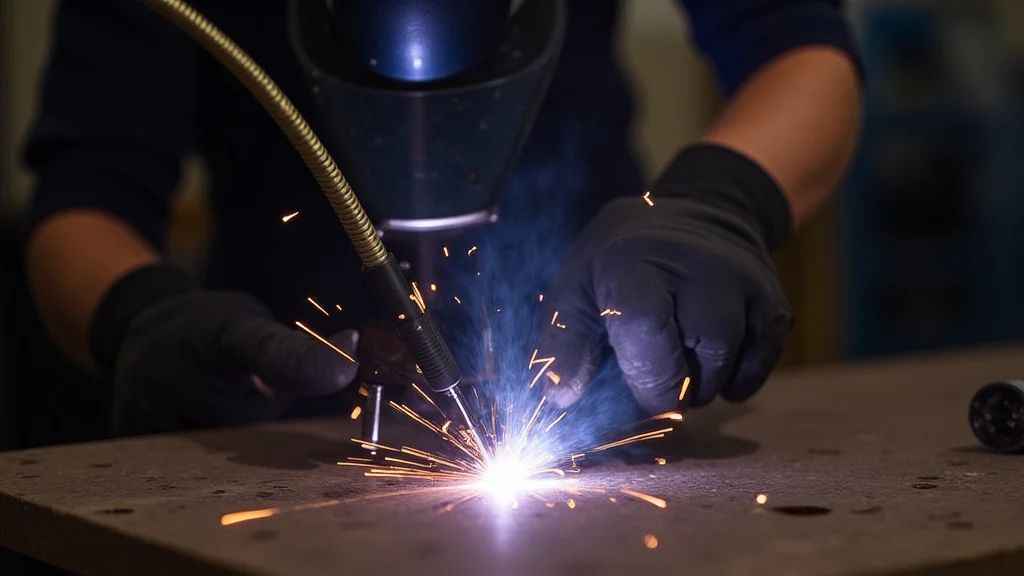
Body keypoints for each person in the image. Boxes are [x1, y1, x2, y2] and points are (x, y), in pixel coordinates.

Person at [20, 0, 862, 438]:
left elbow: (799, 48)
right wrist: (139, 316)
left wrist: (717, 199)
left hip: (606, 364)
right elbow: (87, 188)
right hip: (274, 413)